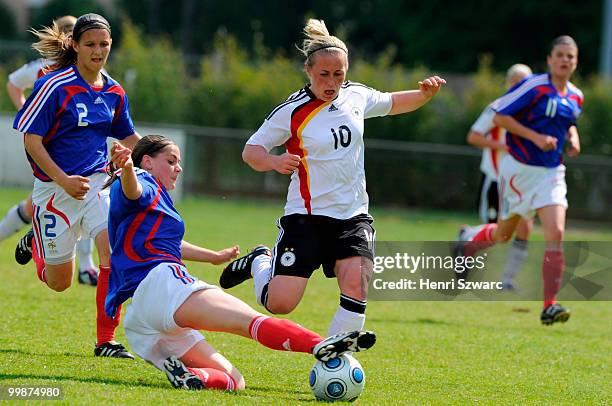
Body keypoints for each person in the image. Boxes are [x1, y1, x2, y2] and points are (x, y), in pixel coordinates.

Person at [219, 19, 445, 336]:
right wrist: (274, 160)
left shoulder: (355, 96)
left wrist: (424, 95)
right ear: (309, 71)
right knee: (281, 303)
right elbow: (251, 150)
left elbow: (393, 102)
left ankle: (334, 356)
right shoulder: (292, 111)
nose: (331, 81)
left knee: (357, 283)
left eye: (338, 74)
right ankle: (259, 261)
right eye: (324, 74)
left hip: (352, 215)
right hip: (307, 217)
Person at [106, 135, 376, 390]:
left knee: (234, 380)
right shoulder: (142, 180)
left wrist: (213, 257)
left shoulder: (153, 201)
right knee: (251, 322)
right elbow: (134, 189)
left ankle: (191, 376)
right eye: (171, 161)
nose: (179, 168)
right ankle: (320, 344)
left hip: (140, 319)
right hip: (162, 287)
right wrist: (128, 168)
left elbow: (165, 243)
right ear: (147, 161)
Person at [12, 13, 141, 357]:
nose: (98, 51)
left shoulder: (114, 90)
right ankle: (37, 246)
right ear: (76, 46)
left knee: (112, 254)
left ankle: (106, 341)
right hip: (54, 193)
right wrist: (63, 180)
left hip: (98, 186)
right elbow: (32, 141)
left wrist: (157, 157)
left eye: (104, 44)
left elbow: (129, 136)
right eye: (91, 44)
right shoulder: (54, 85)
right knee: (60, 283)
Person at [456, 36, 582, 325]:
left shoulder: (576, 95)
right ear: (550, 59)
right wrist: (536, 138)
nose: (565, 60)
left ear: (575, 62)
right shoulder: (534, 87)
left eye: (570, 56)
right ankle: (467, 238)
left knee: (556, 232)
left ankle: (549, 305)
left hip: (551, 174)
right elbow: (499, 116)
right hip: (519, 173)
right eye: (560, 55)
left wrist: (573, 140)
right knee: (503, 235)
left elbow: (570, 122)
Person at [0, 15, 99, 286]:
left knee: (87, 198)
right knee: (50, 201)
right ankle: (43, 241)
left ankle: (80, 263)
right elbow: (13, 83)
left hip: (74, 148)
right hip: (49, 147)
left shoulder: (90, 70)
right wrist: (28, 114)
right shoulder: (45, 67)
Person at [466, 64, 534, 291]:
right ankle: (466, 237)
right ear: (509, 83)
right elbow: (474, 136)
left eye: (526, 81)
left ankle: (507, 280)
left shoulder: (533, 111)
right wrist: (504, 146)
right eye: (517, 81)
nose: (521, 86)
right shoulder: (497, 107)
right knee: (497, 230)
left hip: (524, 179)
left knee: (525, 228)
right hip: (496, 178)